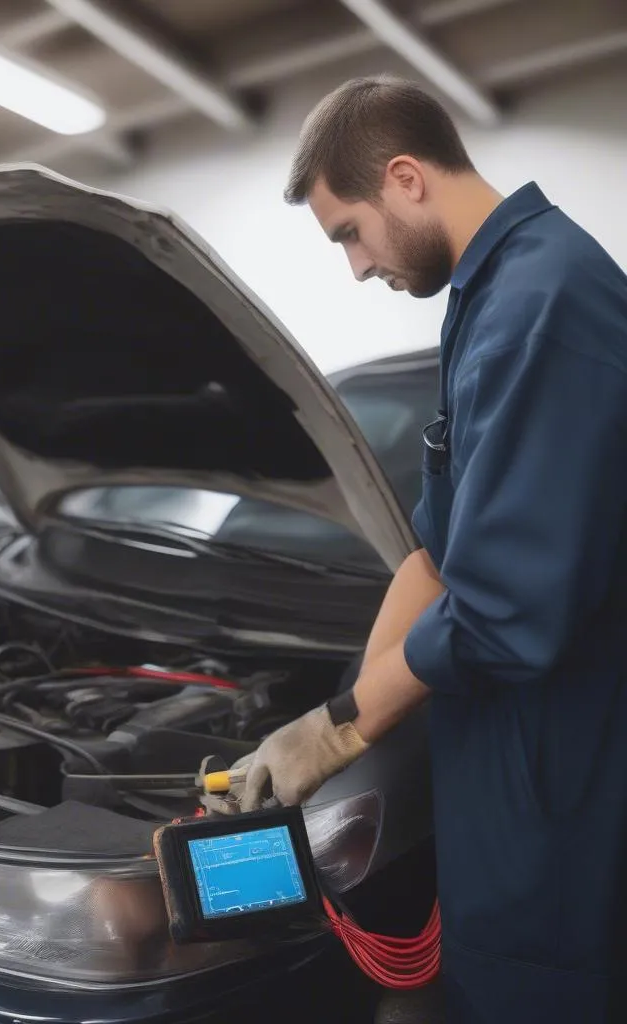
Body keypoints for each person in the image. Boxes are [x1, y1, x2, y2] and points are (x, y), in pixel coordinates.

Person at [225, 76, 627, 1023]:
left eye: (348, 234)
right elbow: (432, 555)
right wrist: (331, 731)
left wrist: (342, 729)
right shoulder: (490, 296)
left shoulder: (546, 305)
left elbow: (498, 616)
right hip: (499, 787)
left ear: (405, 178)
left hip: (554, 797)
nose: (356, 268)